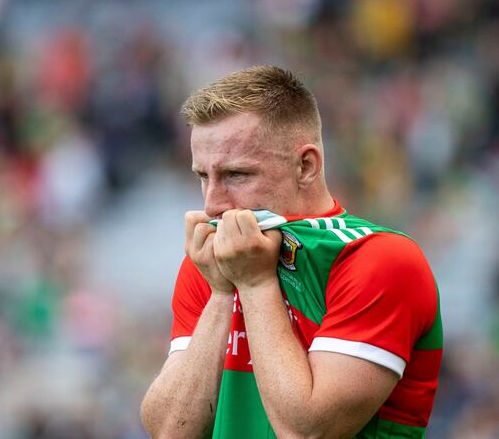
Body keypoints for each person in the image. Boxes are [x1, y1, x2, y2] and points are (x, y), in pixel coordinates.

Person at [140, 65, 442, 438]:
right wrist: (221, 293)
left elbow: (308, 431)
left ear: (306, 165)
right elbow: (171, 431)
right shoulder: (215, 262)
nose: (213, 204)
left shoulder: (380, 260)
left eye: (237, 175)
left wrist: (253, 285)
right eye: (203, 176)